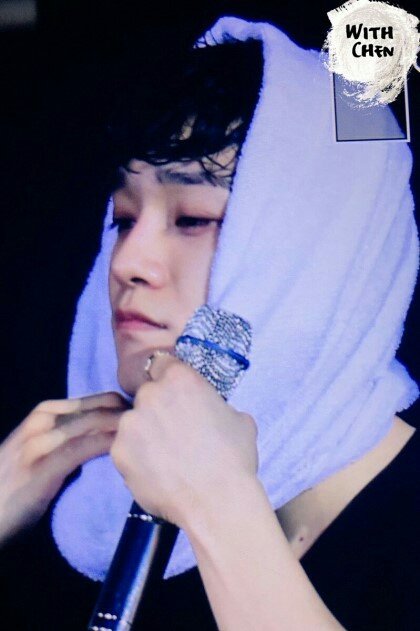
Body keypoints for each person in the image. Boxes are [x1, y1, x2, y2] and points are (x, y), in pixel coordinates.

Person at [1, 15, 419, 630]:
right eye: (123, 219)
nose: (128, 262)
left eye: (194, 219)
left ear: (327, 252)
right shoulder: (79, 508)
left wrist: (216, 503)